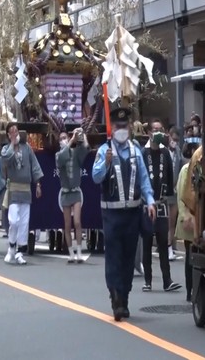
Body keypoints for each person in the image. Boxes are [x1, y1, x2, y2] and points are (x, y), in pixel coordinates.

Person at [93, 108, 157, 321]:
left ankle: (125, 297)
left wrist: (150, 201)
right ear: (113, 128)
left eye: (124, 126)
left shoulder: (136, 150)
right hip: (111, 216)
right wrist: (106, 162)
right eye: (118, 127)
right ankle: (115, 296)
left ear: (129, 127)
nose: (122, 130)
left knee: (129, 257)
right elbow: (95, 177)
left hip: (132, 214)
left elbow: (144, 179)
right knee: (113, 257)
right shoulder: (104, 150)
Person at [141, 119, 181, 292]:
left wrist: (170, 198)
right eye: (154, 129)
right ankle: (148, 280)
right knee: (148, 241)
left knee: (163, 241)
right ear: (149, 132)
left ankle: (167, 280)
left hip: (162, 202)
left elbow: (171, 177)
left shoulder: (166, 153)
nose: (157, 132)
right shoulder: (144, 153)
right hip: (147, 204)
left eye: (160, 129)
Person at [0, 123, 44, 265]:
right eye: (11, 132)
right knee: (13, 221)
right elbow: (6, 159)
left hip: (26, 190)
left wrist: (37, 184)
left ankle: (19, 251)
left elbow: (35, 166)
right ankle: (11, 246)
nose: (14, 134)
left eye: (16, 131)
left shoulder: (27, 148)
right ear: (8, 135)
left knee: (24, 222)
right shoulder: (6, 149)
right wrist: (12, 144)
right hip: (13, 189)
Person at [56, 128, 90, 263]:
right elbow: (60, 161)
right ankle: (71, 253)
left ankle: (79, 252)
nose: (64, 140)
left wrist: (83, 135)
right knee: (67, 224)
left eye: (65, 137)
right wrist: (70, 141)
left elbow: (86, 148)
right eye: (61, 138)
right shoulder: (59, 155)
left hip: (76, 192)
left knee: (77, 222)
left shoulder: (75, 153)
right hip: (65, 192)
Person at [175, 137, 201, 301]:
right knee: (190, 257)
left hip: (201, 218)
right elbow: (182, 195)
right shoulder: (186, 169)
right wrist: (185, 216)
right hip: (190, 217)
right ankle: (190, 290)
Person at [167, 126, 184, 261]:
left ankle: (169, 248)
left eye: (177, 140)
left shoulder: (178, 151)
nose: (175, 142)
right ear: (169, 136)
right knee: (163, 222)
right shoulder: (162, 150)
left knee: (172, 221)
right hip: (162, 191)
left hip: (174, 190)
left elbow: (182, 164)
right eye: (173, 139)